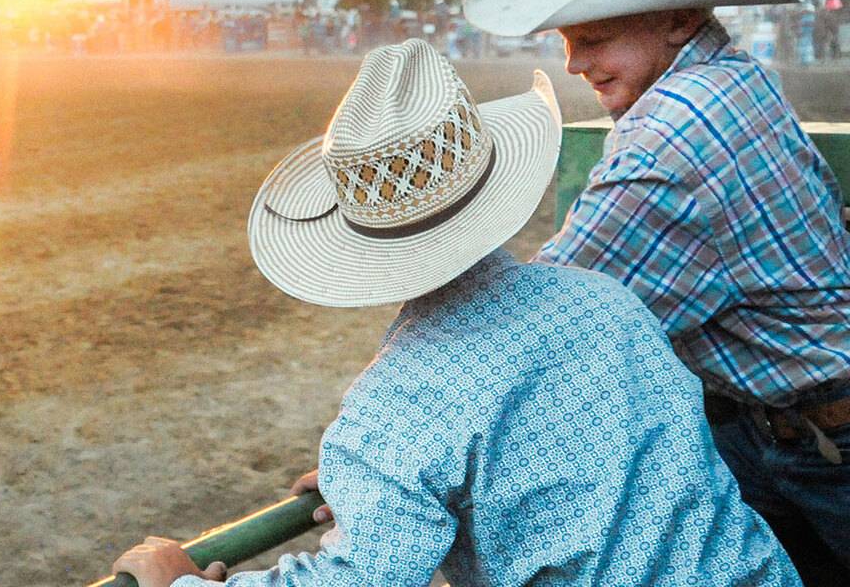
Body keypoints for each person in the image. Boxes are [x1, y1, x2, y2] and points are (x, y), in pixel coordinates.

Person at [111, 40, 797, 587]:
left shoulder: (398, 403)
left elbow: (364, 578)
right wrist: (381, 476)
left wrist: (180, 582)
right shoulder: (605, 302)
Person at [462, 0, 850, 579]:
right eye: (566, 41)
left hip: (818, 446)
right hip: (795, 416)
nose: (573, 64)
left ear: (679, 17)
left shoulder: (666, 139)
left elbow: (540, 327)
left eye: (592, 38)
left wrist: (403, 430)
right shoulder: (731, 77)